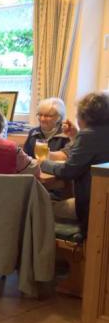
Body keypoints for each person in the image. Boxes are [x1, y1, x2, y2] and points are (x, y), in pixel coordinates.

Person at [41, 92, 109, 234]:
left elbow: (68, 171)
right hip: (103, 202)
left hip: (93, 207)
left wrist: (41, 163)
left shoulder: (88, 136)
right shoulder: (98, 133)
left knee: (42, 209)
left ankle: (43, 253)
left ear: (84, 116)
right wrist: (76, 136)